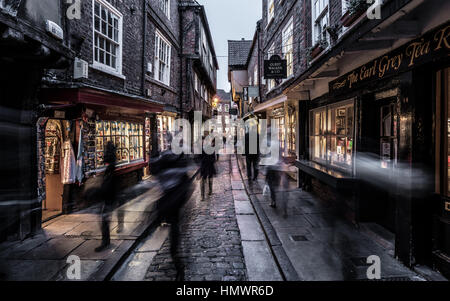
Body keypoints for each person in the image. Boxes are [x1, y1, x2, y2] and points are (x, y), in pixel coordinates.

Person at [150, 148, 192, 281]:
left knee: (175, 234)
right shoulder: (172, 167)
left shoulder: (165, 168)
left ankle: (180, 268)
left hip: (174, 203)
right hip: (175, 203)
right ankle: (178, 264)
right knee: (176, 231)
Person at [94, 141, 124, 252]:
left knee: (105, 218)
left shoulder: (110, 167)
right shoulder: (111, 166)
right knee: (105, 218)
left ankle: (106, 241)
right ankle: (106, 240)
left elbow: (109, 183)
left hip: (109, 195)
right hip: (110, 195)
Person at [199, 133, 217, 201]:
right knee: (202, 181)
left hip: (209, 165)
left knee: (210, 178)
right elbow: (197, 158)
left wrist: (210, 161)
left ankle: (210, 190)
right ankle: (202, 196)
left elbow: (213, 157)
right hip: (203, 166)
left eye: (203, 140)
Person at [244, 118, 260, 183]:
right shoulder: (257, 135)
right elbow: (259, 143)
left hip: (248, 153)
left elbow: (244, 144)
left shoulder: (247, 135)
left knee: (249, 166)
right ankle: (255, 177)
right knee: (255, 165)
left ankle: (249, 176)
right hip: (255, 153)